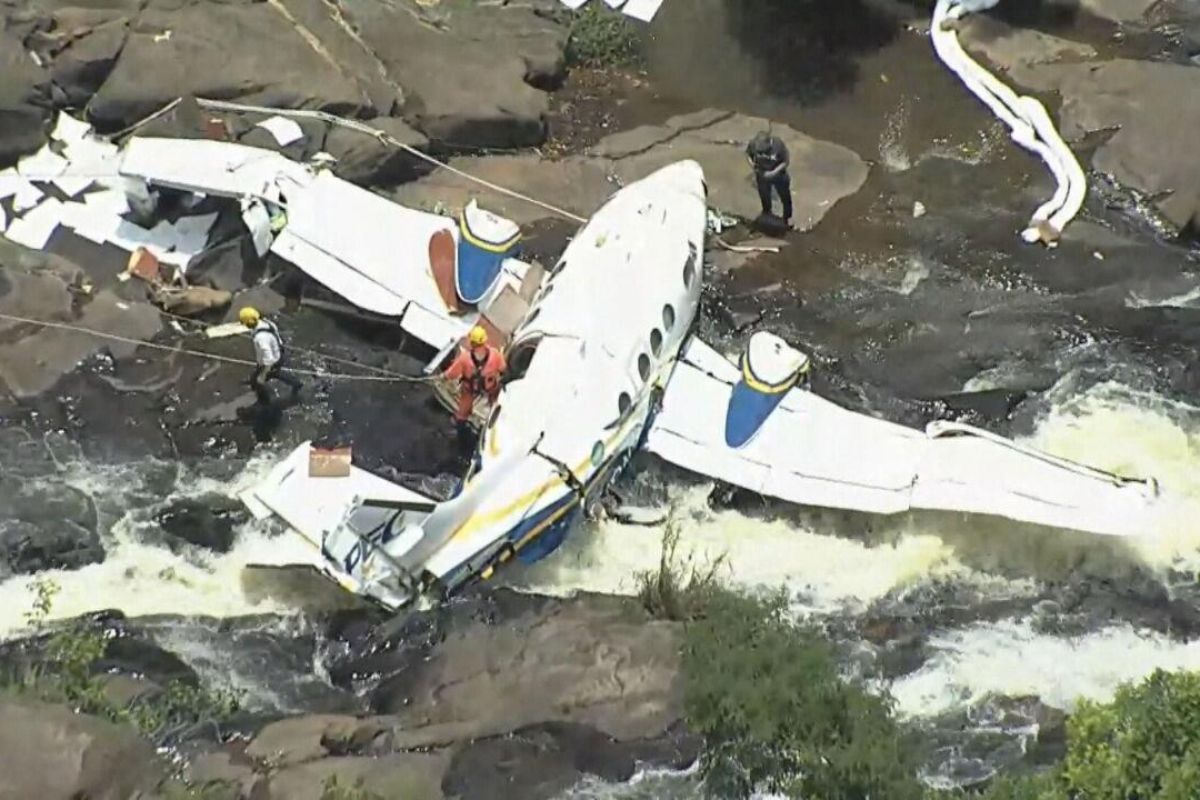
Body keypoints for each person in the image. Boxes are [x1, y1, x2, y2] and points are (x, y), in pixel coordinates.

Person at [442, 325, 506, 447]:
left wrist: (443, 376)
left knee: (462, 411)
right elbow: (503, 368)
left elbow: (452, 373)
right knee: (495, 402)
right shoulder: (495, 355)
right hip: (489, 386)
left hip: (470, 388)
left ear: (472, 342)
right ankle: (494, 420)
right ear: (484, 341)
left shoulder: (464, 358)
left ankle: (459, 430)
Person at [239, 307, 302, 404]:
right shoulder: (267, 323)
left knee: (261, 380)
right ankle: (295, 383)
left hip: (272, 361)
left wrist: (263, 376)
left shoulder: (260, 338)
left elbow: (269, 360)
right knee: (270, 374)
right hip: (278, 353)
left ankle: (264, 402)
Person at [745, 130, 793, 224]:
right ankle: (767, 214)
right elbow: (748, 154)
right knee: (764, 196)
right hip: (762, 174)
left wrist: (773, 173)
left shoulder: (778, 145)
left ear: (769, 143)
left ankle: (787, 218)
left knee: (785, 197)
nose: (760, 151)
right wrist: (753, 166)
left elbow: (785, 162)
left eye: (763, 150)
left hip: (779, 175)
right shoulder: (753, 144)